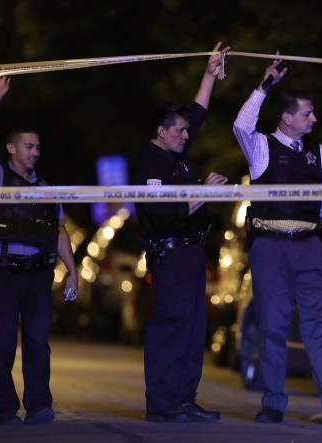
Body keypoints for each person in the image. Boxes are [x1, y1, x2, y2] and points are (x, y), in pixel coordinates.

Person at [232, 57, 322, 425]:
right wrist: (263, 88)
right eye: (307, 114)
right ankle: (273, 403)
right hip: (269, 247)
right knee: (272, 325)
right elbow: (241, 125)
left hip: (309, 247)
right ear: (287, 117)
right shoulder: (259, 148)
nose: (314, 119)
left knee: (318, 324)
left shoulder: (320, 153)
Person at [130, 42, 230, 423]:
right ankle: (161, 403)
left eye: (187, 131)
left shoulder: (177, 160)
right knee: (170, 326)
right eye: (180, 130)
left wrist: (209, 73)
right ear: (161, 131)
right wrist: (205, 193)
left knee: (193, 328)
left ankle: (184, 399)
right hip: (169, 253)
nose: (187, 135)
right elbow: (162, 211)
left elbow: (198, 115)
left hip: (190, 253)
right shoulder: (150, 164)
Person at [0, 75, 78, 425]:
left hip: (37, 276)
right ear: (12, 148)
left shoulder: (47, 187)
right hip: (3, 273)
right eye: (28, 146)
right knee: (2, 344)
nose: (34, 152)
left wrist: (72, 271)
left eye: (37, 147)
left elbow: (59, 228)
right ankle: (5, 410)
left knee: (37, 343)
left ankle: (39, 405)